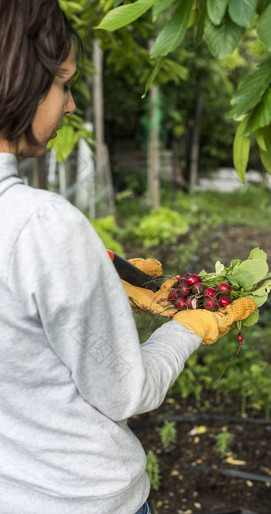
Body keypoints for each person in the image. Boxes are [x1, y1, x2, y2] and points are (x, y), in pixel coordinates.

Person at [0, 1, 256, 513]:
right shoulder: (41, 225)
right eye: (65, 84)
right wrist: (188, 327)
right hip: (80, 497)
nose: (70, 105)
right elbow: (124, 392)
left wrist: (94, 279)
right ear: (23, 78)